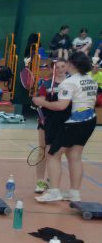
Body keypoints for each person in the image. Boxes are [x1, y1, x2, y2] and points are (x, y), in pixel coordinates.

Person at [33, 52, 96, 203]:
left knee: (53, 155)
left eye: (67, 63)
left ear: (72, 64)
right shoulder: (90, 80)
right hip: (90, 121)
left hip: (74, 123)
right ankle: (74, 193)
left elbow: (61, 106)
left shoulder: (68, 82)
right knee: (75, 156)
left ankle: (54, 192)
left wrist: (41, 102)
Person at [34, 60, 69, 194]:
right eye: (56, 67)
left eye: (62, 66)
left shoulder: (71, 83)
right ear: (51, 69)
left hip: (64, 123)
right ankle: (40, 181)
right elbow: (41, 102)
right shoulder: (46, 84)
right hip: (46, 121)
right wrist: (39, 105)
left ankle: (51, 180)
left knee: (56, 153)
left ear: (67, 67)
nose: (59, 69)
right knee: (42, 150)